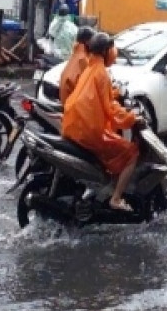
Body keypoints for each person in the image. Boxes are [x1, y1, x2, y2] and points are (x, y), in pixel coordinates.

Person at [62, 32, 140, 212]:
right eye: (111, 49)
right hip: (89, 131)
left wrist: (114, 93)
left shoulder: (90, 68)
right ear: (105, 51)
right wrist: (131, 118)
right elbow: (110, 108)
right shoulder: (102, 73)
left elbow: (94, 97)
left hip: (75, 126)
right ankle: (116, 198)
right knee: (131, 153)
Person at [57, 26, 95, 106]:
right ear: (87, 41)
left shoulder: (76, 55)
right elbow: (91, 85)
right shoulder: (83, 59)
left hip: (66, 101)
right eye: (92, 40)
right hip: (75, 105)